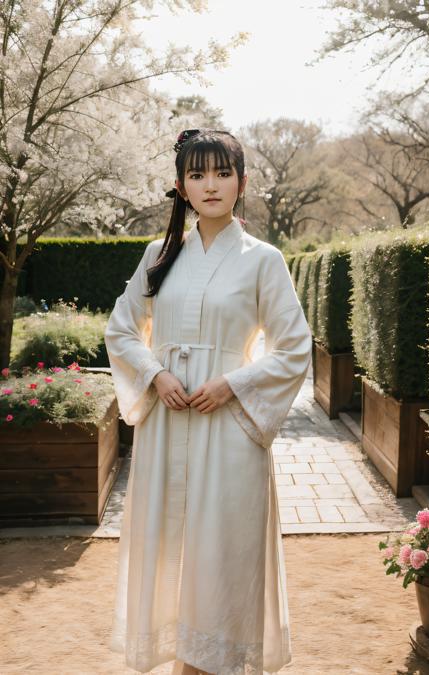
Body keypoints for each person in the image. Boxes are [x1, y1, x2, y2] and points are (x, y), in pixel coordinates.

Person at [104, 128, 312, 675]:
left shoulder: (264, 259)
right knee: (166, 540)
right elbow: (122, 330)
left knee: (225, 548)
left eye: (222, 172)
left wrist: (233, 383)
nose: (211, 185)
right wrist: (155, 374)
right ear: (181, 186)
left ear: (242, 182)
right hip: (168, 422)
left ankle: (218, 661)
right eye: (197, 175)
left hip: (230, 425)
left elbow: (294, 347)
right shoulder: (159, 254)